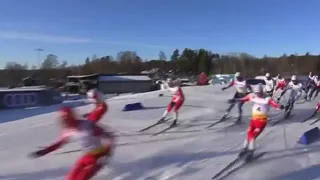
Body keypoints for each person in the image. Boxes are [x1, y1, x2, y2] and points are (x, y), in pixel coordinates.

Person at [29, 106, 115, 180]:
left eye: (65, 119)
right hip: (87, 156)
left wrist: (107, 154)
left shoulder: (87, 126)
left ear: (71, 117)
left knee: (81, 178)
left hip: (99, 157)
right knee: (70, 178)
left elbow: (109, 138)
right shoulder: (68, 130)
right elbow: (58, 144)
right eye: (61, 120)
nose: (63, 122)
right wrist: (43, 152)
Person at [229, 83, 284, 160]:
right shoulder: (252, 96)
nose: (257, 94)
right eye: (256, 93)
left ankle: (251, 151)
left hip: (261, 121)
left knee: (252, 136)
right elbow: (243, 99)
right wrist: (234, 100)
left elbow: (274, 104)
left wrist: (280, 106)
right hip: (253, 120)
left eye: (259, 93)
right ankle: (245, 149)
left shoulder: (267, 98)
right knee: (248, 134)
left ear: (261, 91)